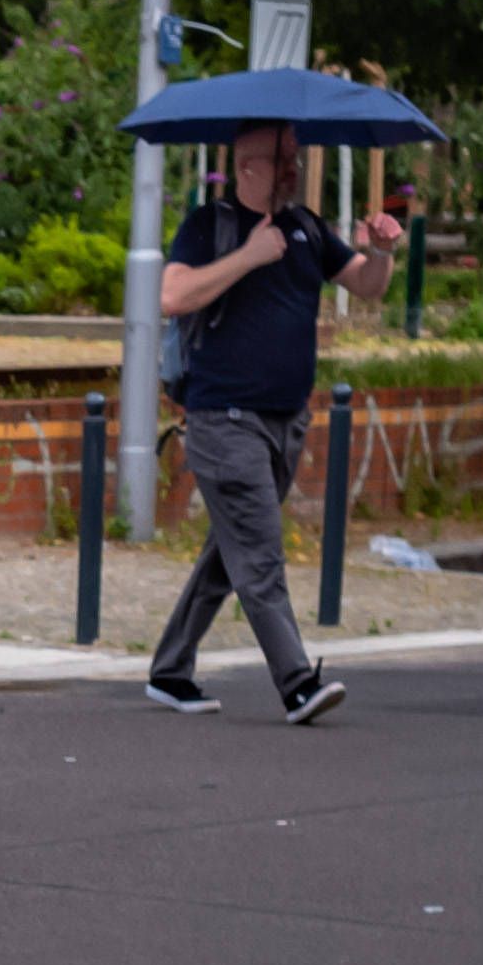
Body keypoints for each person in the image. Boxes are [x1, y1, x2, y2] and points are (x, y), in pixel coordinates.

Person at [142, 122, 398, 720]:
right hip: (223, 420)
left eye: (295, 159)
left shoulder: (307, 226)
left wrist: (383, 249)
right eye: (282, 160)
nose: (293, 170)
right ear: (247, 167)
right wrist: (248, 256)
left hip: (286, 422)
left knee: (230, 550)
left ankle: (169, 670)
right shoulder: (210, 225)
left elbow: (366, 285)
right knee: (259, 554)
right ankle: (297, 682)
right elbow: (172, 296)